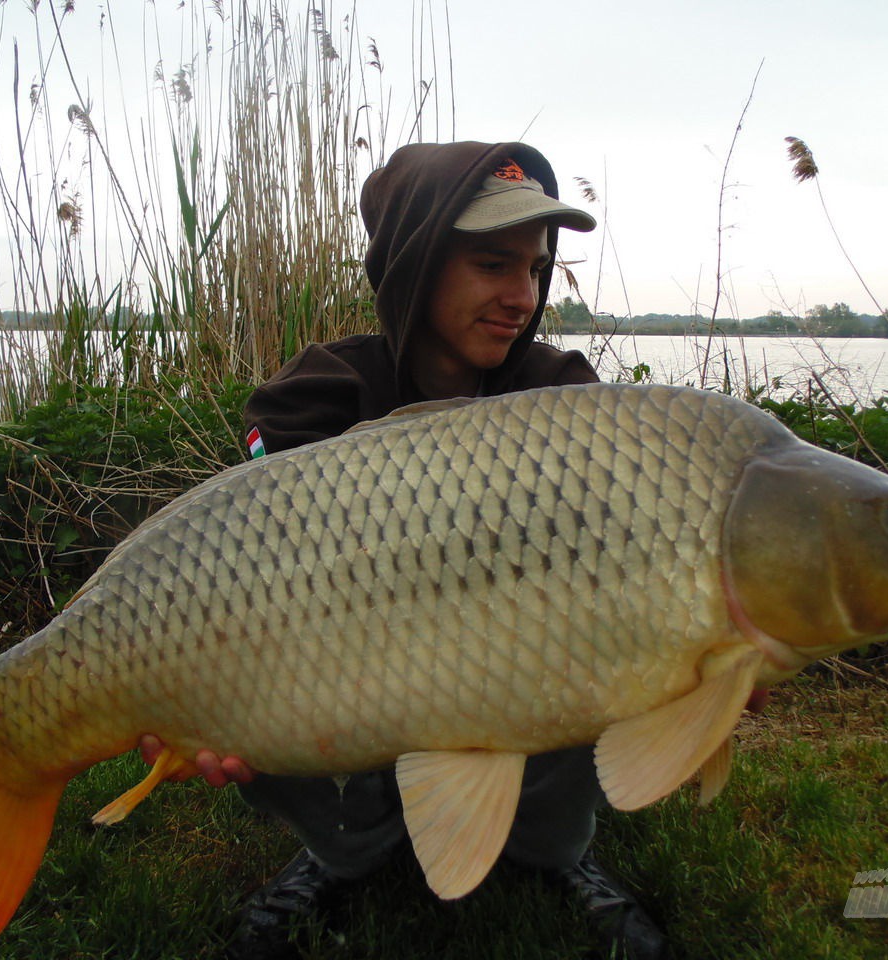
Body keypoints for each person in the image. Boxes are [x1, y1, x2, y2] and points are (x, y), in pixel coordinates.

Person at [141, 141, 666, 960]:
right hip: (356, 677)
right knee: (252, 661)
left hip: (520, 677)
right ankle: (340, 854)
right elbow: (246, 576)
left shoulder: (565, 398)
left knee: (596, 645)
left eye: (534, 269)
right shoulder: (315, 397)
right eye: (494, 264)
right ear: (416, 265)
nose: (521, 297)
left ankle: (553, 850)